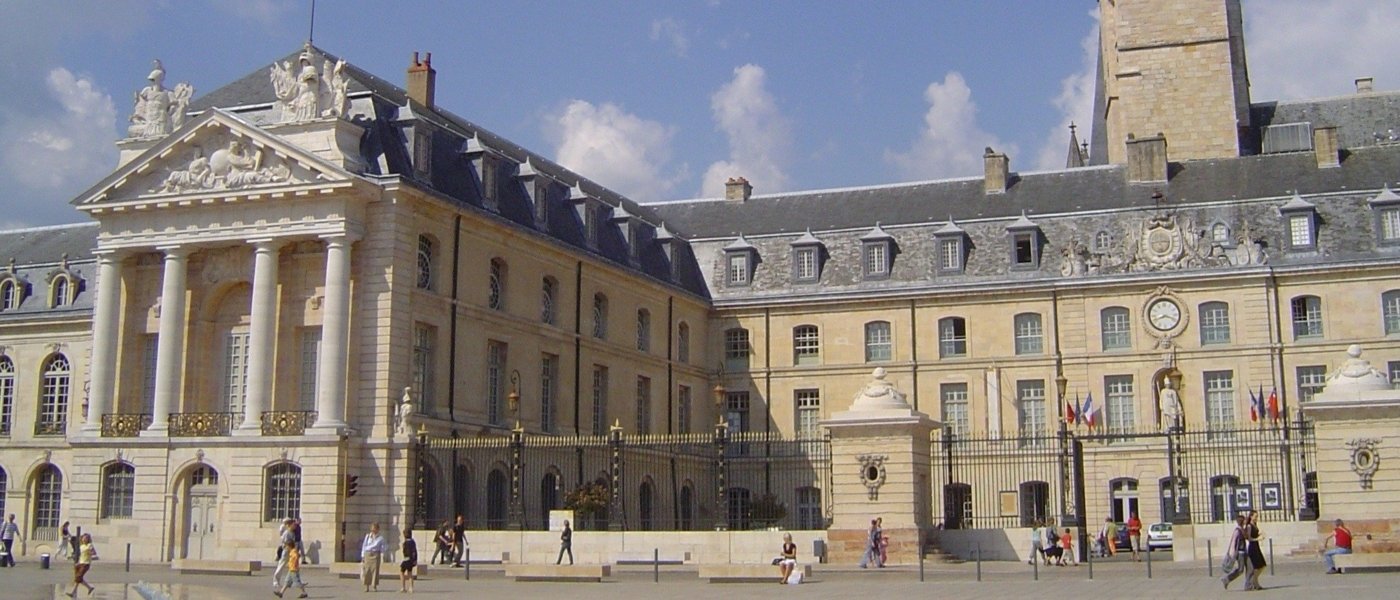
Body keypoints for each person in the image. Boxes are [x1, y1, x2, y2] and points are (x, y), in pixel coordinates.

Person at [1221, 514, 1248, 589]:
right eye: (1244, 520)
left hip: (1244, 551)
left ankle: (1249, 583)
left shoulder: (1242, 529)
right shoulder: (1237, 531)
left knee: (1247, 568)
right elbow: (1233, 542)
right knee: (1240, 569)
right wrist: (1232, 553)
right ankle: (1227, 579)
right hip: (1240, 553)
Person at [1243, 512, 1267, 591]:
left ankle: (1255, 581)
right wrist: (1258, 539)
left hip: (1256, 547)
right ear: (1251, 516)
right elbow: (1249, 538)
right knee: (1257, 566)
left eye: (1257, 516)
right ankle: (1255, 582)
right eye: (1255, 516)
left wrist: (1261, 533)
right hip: (1252, 547)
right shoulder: (1249, 526)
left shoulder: (1254, 525)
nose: (1256, 518)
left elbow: (1256, 533)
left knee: (1262, 565)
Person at [271, 517, 296, 589]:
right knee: (281, 565)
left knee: (294, 566)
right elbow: (284, 542)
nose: (295, 526)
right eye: (293, 525)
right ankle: (276, 581)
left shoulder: (291, 532)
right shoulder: (286, 532)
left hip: (291, 551)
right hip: (286, 551)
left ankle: (294, 581)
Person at [361, 522, 387, 592]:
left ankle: (374, 586)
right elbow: (364, 546)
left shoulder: (381, 538)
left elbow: (383, 547)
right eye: (372, 529)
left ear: (377, 529)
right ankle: (366, 586)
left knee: (375, 571)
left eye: (374, 529)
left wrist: (382, 553)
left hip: (376, 554)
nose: (373, 531)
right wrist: (363, 556)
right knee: (367, 570)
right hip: (368, 553)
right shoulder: (367, 536)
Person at [70, 533, 96, 597]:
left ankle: (75, 592)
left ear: (88, 539)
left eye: (86, 538)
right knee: (77, 578)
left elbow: (94, 552)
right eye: (83, 538)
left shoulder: (90, 545)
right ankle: (75, 592)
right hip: (80, 563)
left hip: (86, 564)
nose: (84, 539)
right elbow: (80, 555)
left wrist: (90, 552)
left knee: (78, 577)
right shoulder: (81, 546)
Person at [399, 528, 418, 594]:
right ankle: (411, 588)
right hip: (411, 559)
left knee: (402, 572)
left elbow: (405, 552)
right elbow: (415, 551)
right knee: (410, 573)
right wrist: (415, 559)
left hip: (406, 559)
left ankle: (403, 587)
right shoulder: (413, 542)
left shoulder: (406, 542)